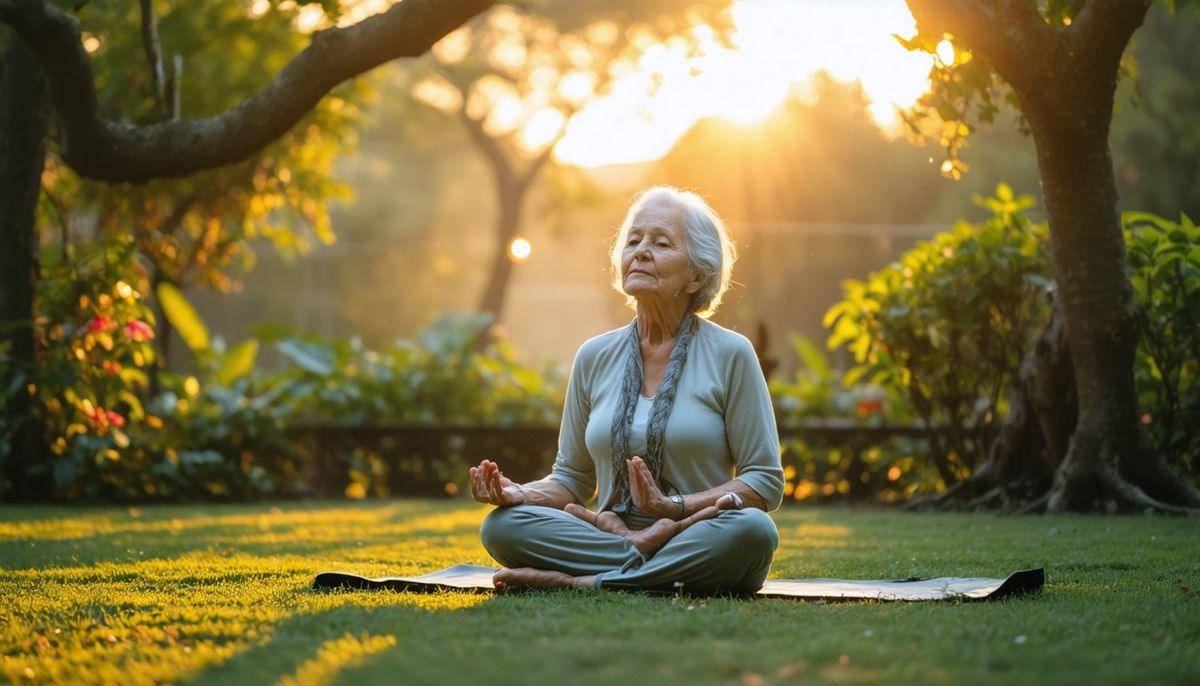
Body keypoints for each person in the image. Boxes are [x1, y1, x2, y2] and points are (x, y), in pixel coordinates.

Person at [469, 186, 784, 596]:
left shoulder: (731, 353)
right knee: (503, 526)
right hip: (611, 537)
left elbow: (764, 481)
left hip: (698, 532)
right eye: (633, 240)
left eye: (661, 242)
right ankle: (646, 573)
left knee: (753, 531)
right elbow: (571, 479)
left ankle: (578, 582)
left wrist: (676, 510)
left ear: (696, 275)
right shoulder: (594, 356)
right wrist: (518, 493)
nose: (640, 251)